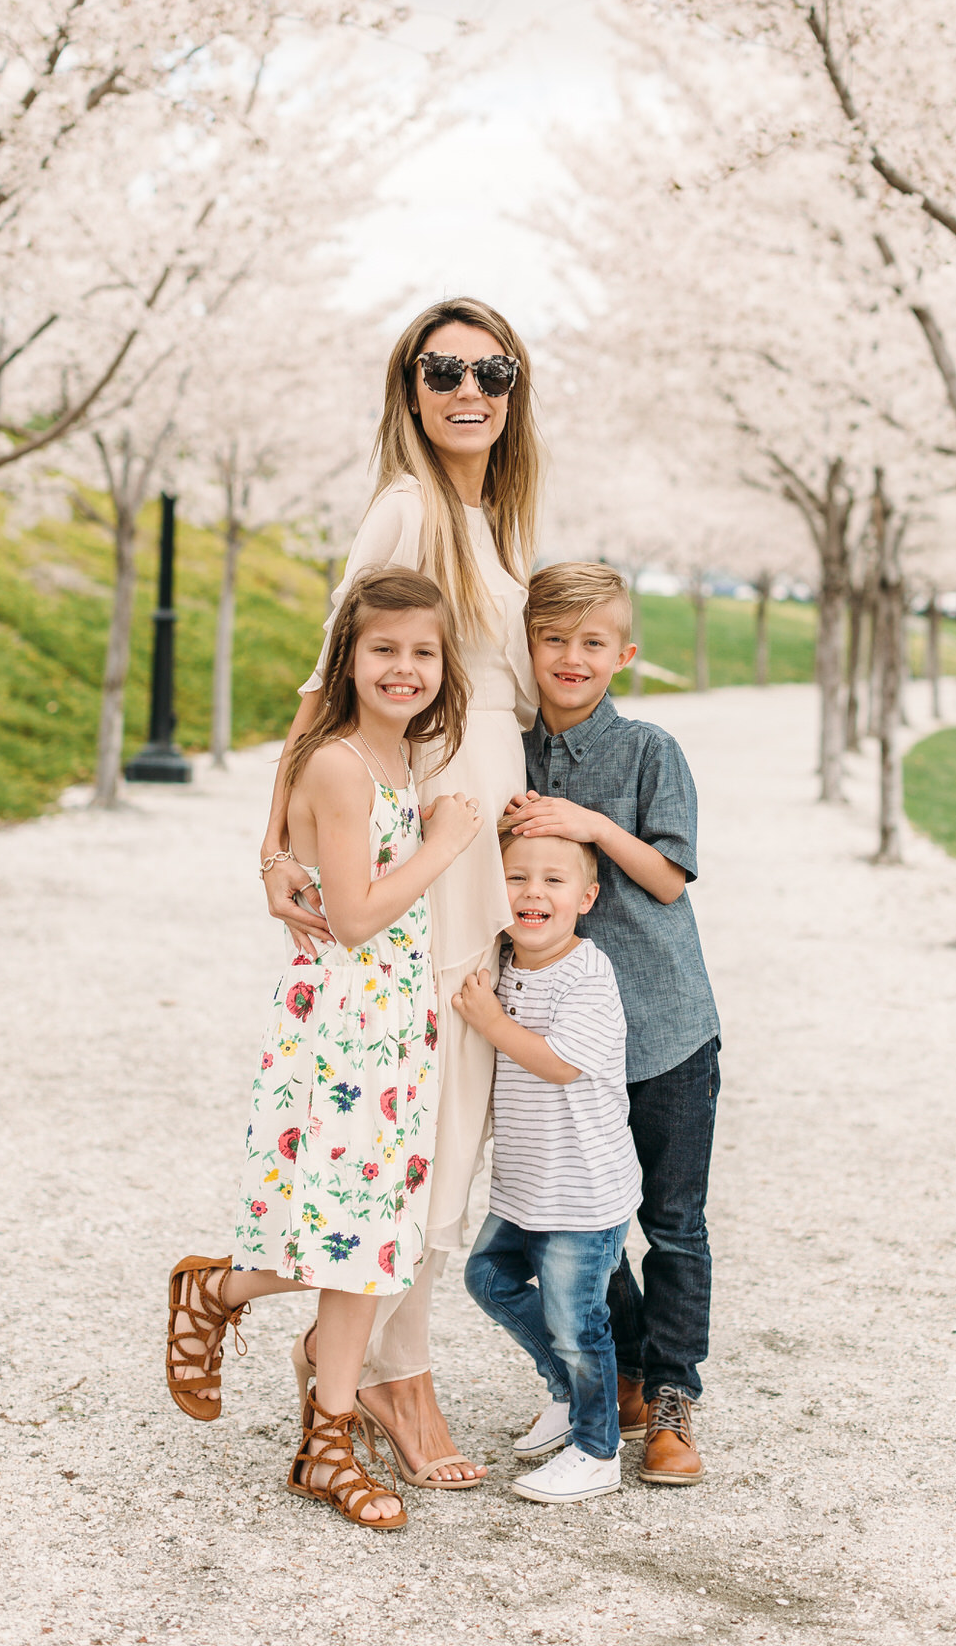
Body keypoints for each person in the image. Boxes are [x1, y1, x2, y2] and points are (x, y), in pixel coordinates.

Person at [244, 297, 541, 1487]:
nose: (468, 390)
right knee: (425, 1114)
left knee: (453, 1104)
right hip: (435, 826)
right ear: (408, 387)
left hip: (487, 828)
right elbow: (332, 677)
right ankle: (388, 1374)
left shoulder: (489, 518)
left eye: (492, 371)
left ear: (515, 391)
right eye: (442, 370)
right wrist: (274, 846)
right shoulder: (409, 507)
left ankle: (358, 1353)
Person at [165, 569, 483, 1530]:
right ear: (347, 657)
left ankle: (325, 1444)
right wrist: (444, 845)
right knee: (350, 1232)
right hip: (344, 1032)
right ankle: (215, 1289)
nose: (404, 667)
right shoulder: (343, 766)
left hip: (394, 1025)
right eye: (383, 649)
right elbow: (353, 916)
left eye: (423, 652)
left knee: (375, 1241)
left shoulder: (397, 759)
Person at [504, 561, 720, 1485]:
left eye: (593, 642)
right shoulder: (508, 753)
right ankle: (622, 1370)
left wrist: (588, 823)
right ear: (528, 647)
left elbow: (668, 879)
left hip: (664, 1028)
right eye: (553, 638)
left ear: (623, 654)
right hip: (562, 1038)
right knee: (578, 1215)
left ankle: (671, 1397)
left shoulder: (648, 750)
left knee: (672, 1223)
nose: (572, 657)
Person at [455, 824, 640, 1504]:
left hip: (583, 1192)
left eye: (553, 881)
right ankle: (568, 1391)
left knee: (578, 1323)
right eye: (516, 878)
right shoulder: (503, 962)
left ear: (586, 898)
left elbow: (561, 1064)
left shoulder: (588, 974)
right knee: (488, 1278)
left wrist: (491, 1022)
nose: (533, 892)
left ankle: (598, 1450)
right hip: (527, 1185)